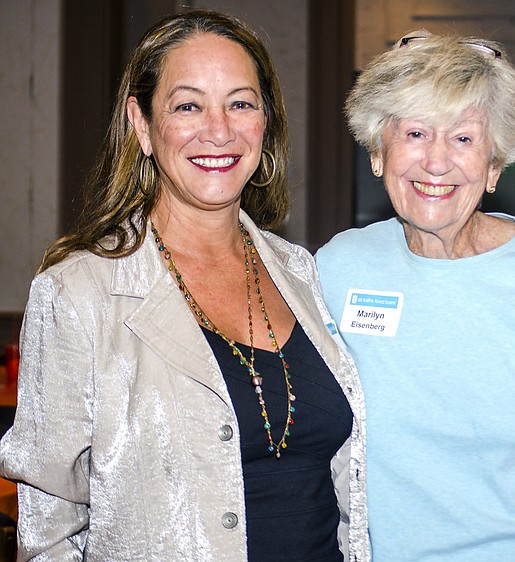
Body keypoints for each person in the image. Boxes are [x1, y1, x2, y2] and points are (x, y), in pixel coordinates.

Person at [0, 10, 369, 561]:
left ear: (264, 123)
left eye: (240, 103)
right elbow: (48, 528)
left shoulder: (300, 272)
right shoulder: (78, 293)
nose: (218, 130)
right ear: (143, 125)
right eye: (188, 105)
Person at [315, 31, 515, 561]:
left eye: (463, 139)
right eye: (415, 132)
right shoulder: (338, 268)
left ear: (494, 166)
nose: (436, 161)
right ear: (378, 152)